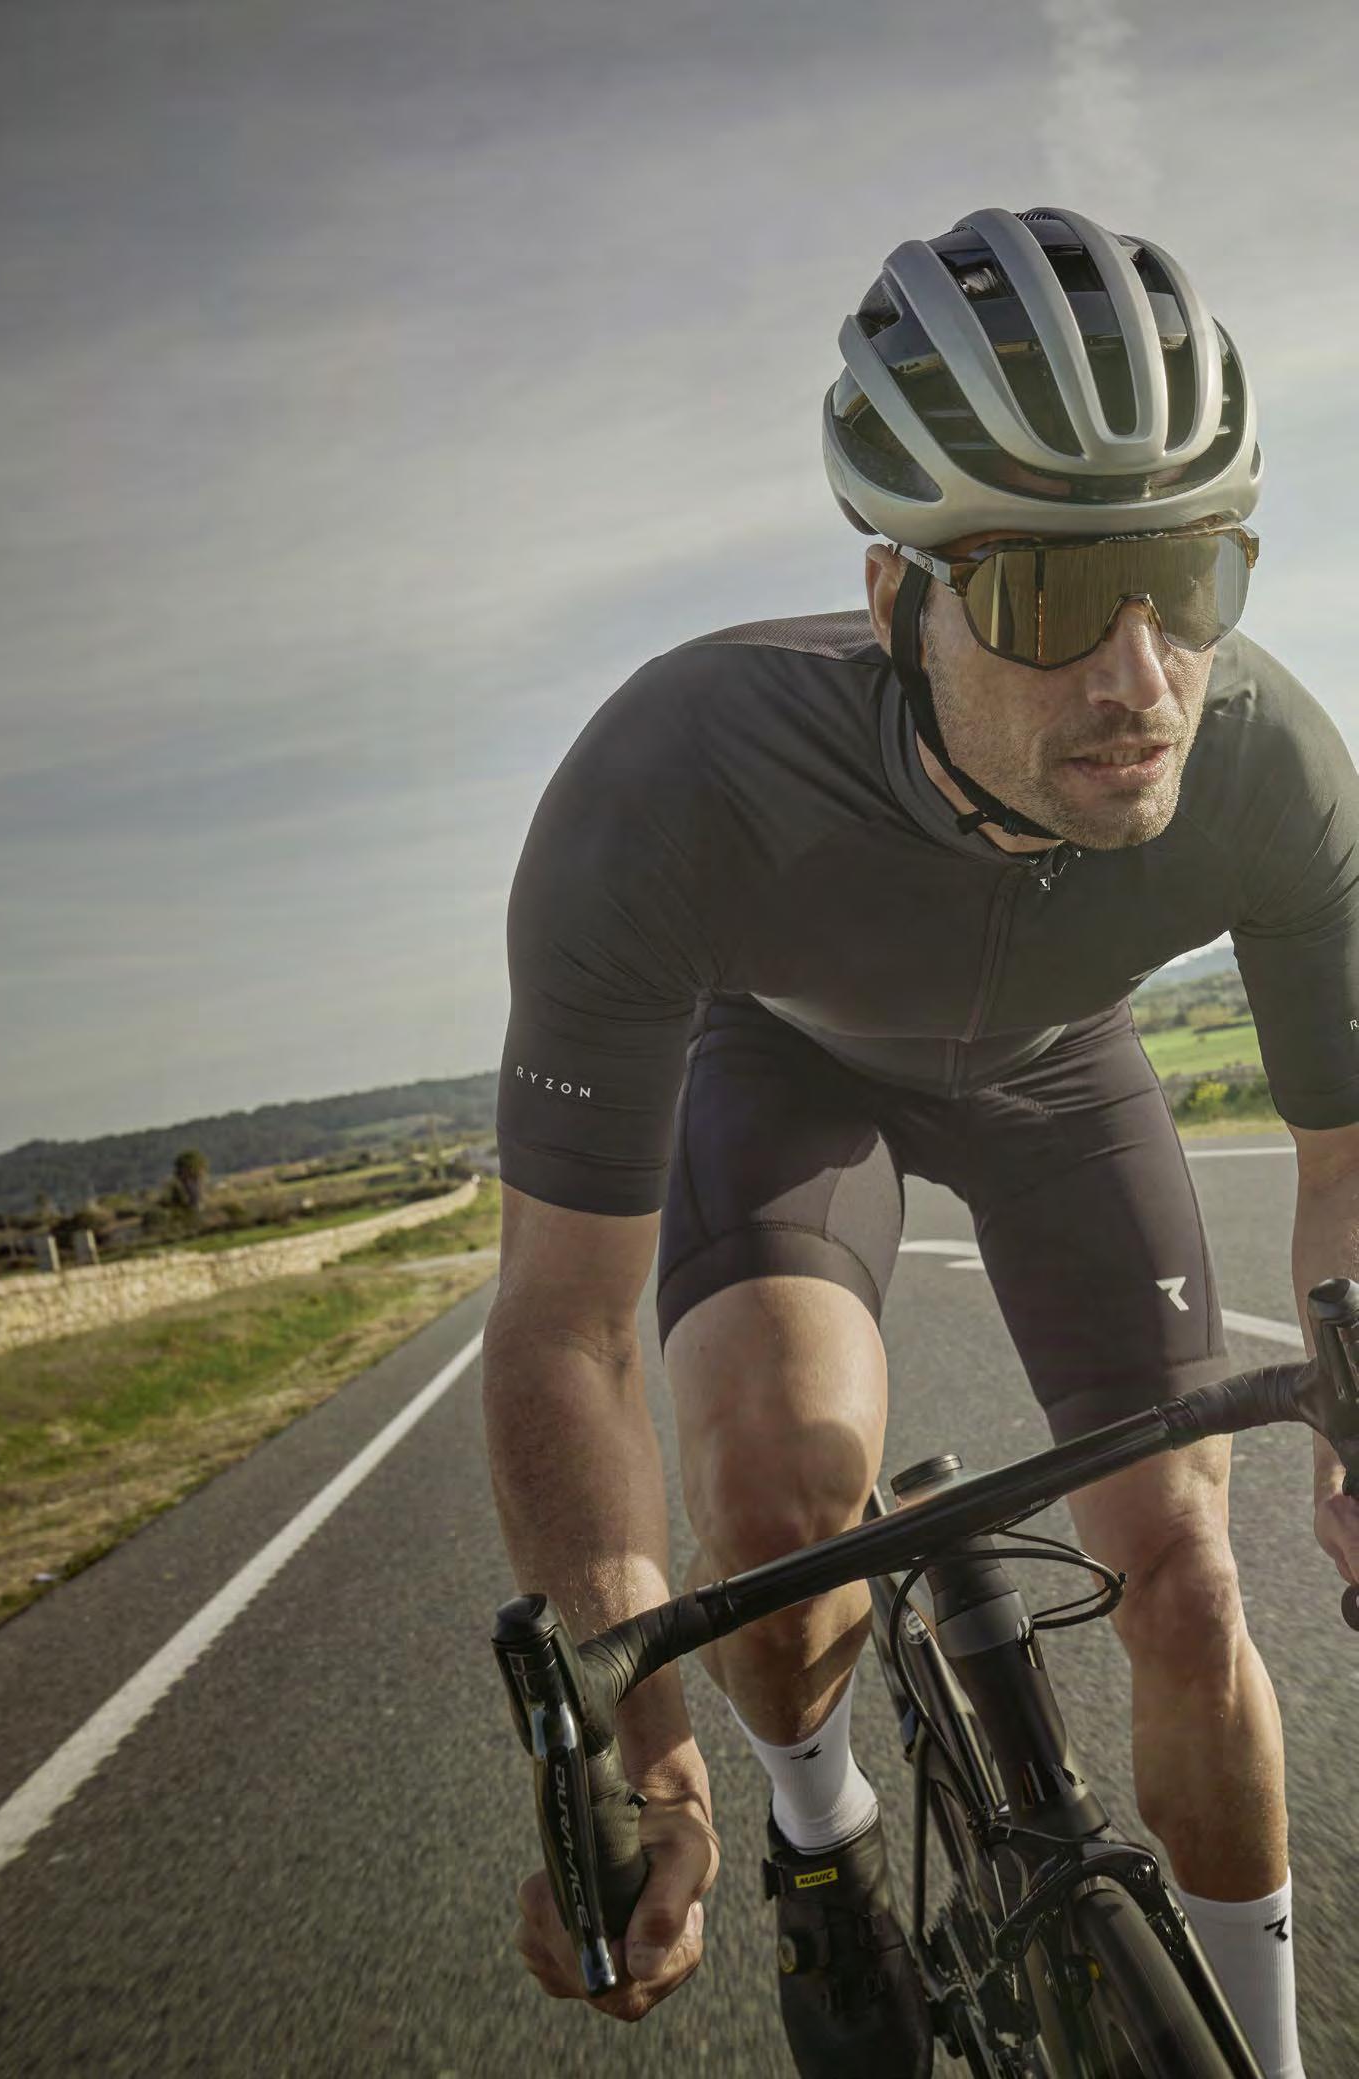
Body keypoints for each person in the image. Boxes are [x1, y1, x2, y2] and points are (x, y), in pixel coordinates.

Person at [483, 205, 1359, 2079]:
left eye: (1187, 577)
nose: (1139, 681)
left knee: (1192, 1580)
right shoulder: (670, 785)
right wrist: (640, 1744)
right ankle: (822, 1830)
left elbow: (1348, 1165)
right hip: (785, 1069)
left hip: (1058, 1073)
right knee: (784, 1495)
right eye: (1046, 599)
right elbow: (565, 1325)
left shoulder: (1272, 765)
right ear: (897, 604)